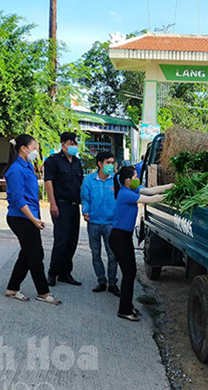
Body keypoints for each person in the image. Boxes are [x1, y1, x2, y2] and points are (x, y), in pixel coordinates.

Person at [109, 166, 173, 321]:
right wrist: (172, 195)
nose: (138, 178)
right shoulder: (125, 194)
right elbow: (151, 199)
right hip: (119, 238)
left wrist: (171, 187)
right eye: (135, 176)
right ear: (128, 180)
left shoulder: (132, 190)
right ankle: (124, 309)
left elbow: (152, 191)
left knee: (130, 273)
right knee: (129, 273)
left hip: (123, 237)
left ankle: (128, 305)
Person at [4, 134, 60, 305]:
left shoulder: (27, 166)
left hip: (30, 217)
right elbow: (19, 199)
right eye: (34, 148)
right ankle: (43, 292)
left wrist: (35, 218)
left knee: (28, 253)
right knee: (35, 255)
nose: (36, 151)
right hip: (20, 218)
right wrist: (33, 220)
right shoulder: (15, 170)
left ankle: (12, 288)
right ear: (24, 148)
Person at [44, 131, 84, 287]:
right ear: (63, 144)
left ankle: (65, 273)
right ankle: (53, 272)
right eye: (71, 143)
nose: (74, 146)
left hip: (75, 205)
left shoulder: (77, 162)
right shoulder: (53, 161)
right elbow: (49, 182)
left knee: (72, 241)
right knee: (61, 240)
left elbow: (80, 184)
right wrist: (52, 204)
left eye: (75, 143)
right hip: (61, 205)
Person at [81, 151, 120, 296]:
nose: (111, 165)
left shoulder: (116, 180)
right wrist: (85, 211)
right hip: (94, 223)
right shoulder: (89, 180)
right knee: (95, 253)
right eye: (108, 162)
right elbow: (85, 198)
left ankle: (112, 283)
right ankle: (101, 280)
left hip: (111, 223)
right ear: (100, 164)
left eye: (112, 162)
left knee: (113, 255)